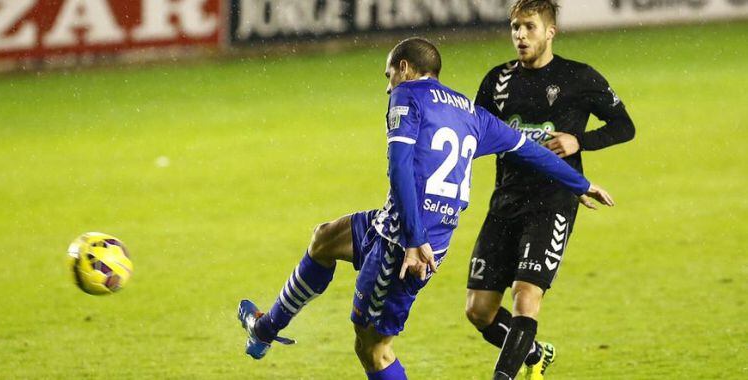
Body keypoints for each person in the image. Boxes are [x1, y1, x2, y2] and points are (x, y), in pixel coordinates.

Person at [238, 37, 614, 380]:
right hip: (399, 224)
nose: (388, 85)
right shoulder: (471, 113)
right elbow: (528, 149)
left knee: (374, 350)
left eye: (389, 74)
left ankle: (267, 331)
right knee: (324, 238)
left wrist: (415, 239)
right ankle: (265, 329)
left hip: (408, 242)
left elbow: (398, 166)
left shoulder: (407, 95)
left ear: (404, 68)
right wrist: (579, 183)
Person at [464, 1, 636, 379]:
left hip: (553, 203)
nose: (520, 36)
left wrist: (580, 141)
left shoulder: (580, 78)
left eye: (529, 27)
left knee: (526, 298)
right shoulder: (498, 81)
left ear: (550, 32)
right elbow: (475, 135)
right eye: (514, 28)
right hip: (505, 201)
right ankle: (536, 354)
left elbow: (624, 126)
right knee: (478, 311)